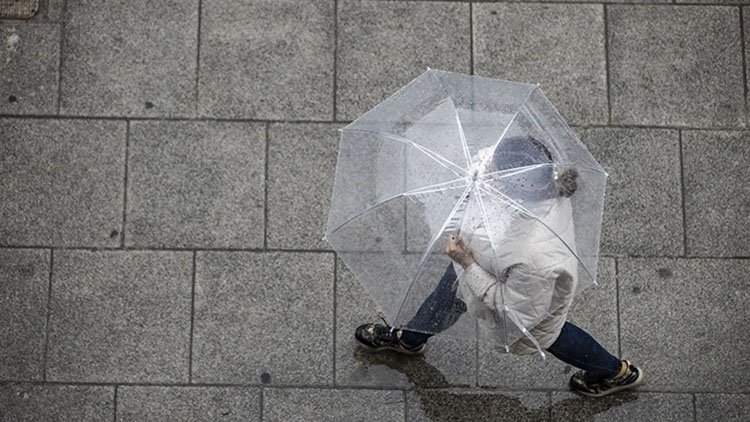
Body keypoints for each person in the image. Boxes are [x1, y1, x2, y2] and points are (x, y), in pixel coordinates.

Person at [354, 135, 644, 398]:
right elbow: (486, 185)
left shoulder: (534, 255)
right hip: (481, 264)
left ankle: (615, 373)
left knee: (551, 334)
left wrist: (468, 263)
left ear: (516, 185)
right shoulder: (533, 180)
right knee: (445, 299)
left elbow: (512, 308)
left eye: (496, 169)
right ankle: (411, 339)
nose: (489, 167)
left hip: (512, 289)